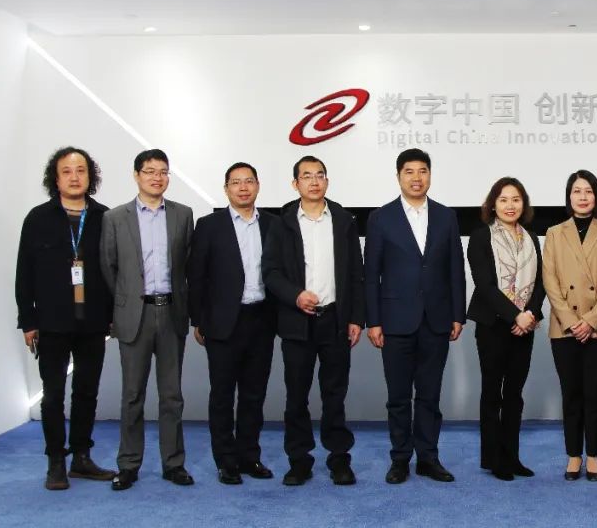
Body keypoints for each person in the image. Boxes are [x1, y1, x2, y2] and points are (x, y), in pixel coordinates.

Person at [16, 147, 116, 490]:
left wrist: (113, 315)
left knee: (87, 393)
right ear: (55, 178)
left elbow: (114, 270)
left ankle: (82, 458)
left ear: (91, 176)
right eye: (67, 171)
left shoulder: (104, 217)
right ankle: (56, 462)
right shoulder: (38, 218)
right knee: (53, 395)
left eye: (81, 170)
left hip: (94, 322)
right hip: (52, 322)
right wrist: (28, 321)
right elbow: (24, 273)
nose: (75, 177)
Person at [365, 148, 466, 484]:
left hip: (436, 319)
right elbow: (371, 274)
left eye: (422, 171)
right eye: (409, 171)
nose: (416, 178)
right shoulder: (381, 218)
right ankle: (399, 460)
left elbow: (455, 268)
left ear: (430, 175)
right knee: (398, 398)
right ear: (398, 177)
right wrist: (373, 321)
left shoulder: (446, 216)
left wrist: (458, 314)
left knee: (429, 395)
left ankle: (428, 458)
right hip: (394, 321)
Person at [262, 156, 364, 487]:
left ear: (327, 181)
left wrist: (356, 318)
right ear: (296, 184)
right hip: (297, 321)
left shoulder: (344, 220)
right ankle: (299, 461)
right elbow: (270, 272)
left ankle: (339, 459)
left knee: (335, 395)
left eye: (320, 175)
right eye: (306, 176)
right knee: (296, 396)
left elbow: (356, 273)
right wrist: (295, 295)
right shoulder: (282, 223)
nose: (314, 181)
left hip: (335, 320)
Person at [101, 148, 194, 490]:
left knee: (172, 395)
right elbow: (108, 268)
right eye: (150, 171)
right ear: (136, 175)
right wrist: (122, 306)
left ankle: (174, 464)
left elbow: (187, 265)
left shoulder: (183, 215)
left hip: (171, 313)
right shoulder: (115, 217)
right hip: (134, 316)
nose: (157, 177)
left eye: (163, 171)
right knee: (132, 395)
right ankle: (128, 464)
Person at [186, 162, 275, 485]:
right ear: (226, 189)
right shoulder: (209, 225)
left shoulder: (273, 224)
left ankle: (250, 456)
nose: (243, 188)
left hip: (261, 319)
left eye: (249, 181)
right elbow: (196, 275)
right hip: (223, 322)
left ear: (258, 185)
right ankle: (226, 461)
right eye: (236, 182)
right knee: (222, 395)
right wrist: (198, 319)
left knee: (254, 394)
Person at [542, 170, 597, 482]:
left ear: (596, 196)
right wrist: (573, 321)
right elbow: (550, 280)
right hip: (564, 328)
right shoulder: (554, 233)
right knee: (571, 393)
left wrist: (590, 321)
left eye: (588, 191)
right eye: (577, 191)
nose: (583, 197)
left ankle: (594, 455)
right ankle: (573, 454)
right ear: (569, 196)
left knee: (594, 393)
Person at [467, 177, 545, 481]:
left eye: (516, 199)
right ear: (493, 205)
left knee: (515, 394)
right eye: (503, 200)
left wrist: (531, 314)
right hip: (493, 326)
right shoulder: (480, 237)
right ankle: (494, 459)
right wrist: (516, 316)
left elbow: (541, 282)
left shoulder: (531, 238)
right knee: (492, 394)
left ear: (523, 204)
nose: (510, 205)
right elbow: (484, 285)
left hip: (524, 327)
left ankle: (512, 457)